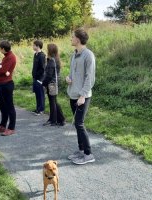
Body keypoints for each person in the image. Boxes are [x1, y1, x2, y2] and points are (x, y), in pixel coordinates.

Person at [66, 28, 96, 165]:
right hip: (72, 94)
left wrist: (83, 95)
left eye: (72, 37)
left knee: (79, 123)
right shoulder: (74, 55)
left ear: (78, 39)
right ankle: (81, 150)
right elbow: (73, 73)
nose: (71, 39)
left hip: (82, 96)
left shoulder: (88, 55)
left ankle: (88, 154)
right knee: (77, 125)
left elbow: (90, 78)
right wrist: (69, 78)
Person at [0, 40, 17, 136]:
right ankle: (2, 126)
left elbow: (4, 70)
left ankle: (11, 128)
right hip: (2, 84)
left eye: (0, 48)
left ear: (3, 48)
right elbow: (3, 69)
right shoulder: (6, 57)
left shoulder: (10, 57)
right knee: (3, 107)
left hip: (7, 84)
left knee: (9, 106)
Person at [42, 44, 65, 126]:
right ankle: (61, 120)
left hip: (51, 84)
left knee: (52, 102)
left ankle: (53, 120)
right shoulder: (56, 59)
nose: (46, 50)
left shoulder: (52, 60)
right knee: (54, 101)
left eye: (47, 49)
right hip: (54, 83)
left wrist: (43, 83)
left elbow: (49, 75)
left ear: (50, 51)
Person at [31, 40, 46, 116]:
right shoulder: (35, 54)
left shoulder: (42, 55)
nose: (33, 47)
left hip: (40, 78)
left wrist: (39, 78)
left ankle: (41, 109)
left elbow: (43, 68)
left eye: (34, 45)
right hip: (35, 77)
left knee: (41, 94)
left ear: (38, 46)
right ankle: (37, 108)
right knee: (37, 94)